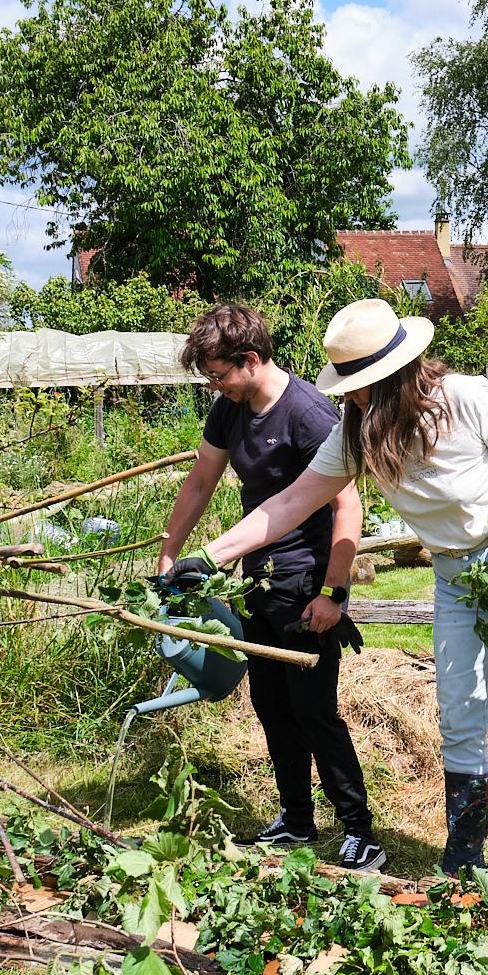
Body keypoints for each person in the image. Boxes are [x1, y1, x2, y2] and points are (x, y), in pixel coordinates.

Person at [175, 298, 488, 903]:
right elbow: (290, 503)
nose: (347, 399)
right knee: (459, 714)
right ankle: (463, 862)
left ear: (390, 376)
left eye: (357, 387)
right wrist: (209, 556)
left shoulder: (466, 398)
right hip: (457, 577)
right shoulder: (356, 431)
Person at [159, 303, 383, 871]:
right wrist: (168, 555)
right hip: (255, 578)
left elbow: (347, 506)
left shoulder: (307, 413)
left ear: (251, 359)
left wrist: (334, 594)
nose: (215, 385)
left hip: (307, 579)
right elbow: (201, 480)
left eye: (219, 374)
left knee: (314, 708)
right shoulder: (228, 409)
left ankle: (357, 827)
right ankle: (297, 818)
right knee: (270, 704)